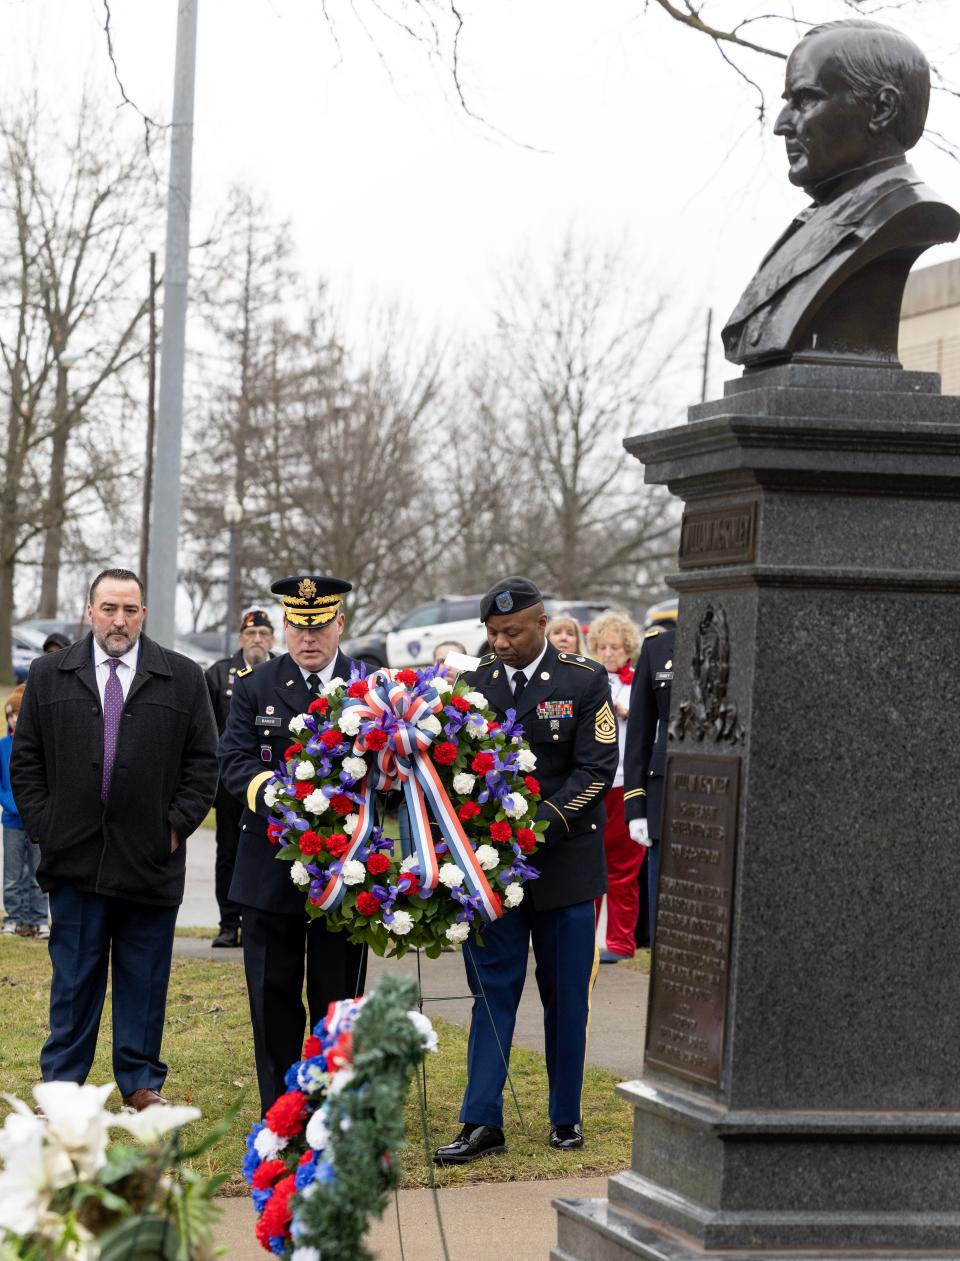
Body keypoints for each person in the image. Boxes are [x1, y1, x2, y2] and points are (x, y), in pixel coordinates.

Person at [9, 568, 218, 1110]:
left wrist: (172, 831)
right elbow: (26, 762)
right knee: (73, 983)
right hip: (74, 862)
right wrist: (45, 828)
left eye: (129, 609)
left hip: (150, 862)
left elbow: (203, 766)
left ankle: (141, 1084)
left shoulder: (183, 677)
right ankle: (61, 1087)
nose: (119, 620)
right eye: (109, 608)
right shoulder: (49, 675)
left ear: (143, 613)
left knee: (143, 981)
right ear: (90, 611)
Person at [434, 577, 618, 1165]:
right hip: (495, 872)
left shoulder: (584, 679)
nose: (502, 642)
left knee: (566, 997)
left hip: (563, 866)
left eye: (511, 631)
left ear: (542, 623)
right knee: (491, 992)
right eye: (492, 633)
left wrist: (538, 824)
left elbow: (595, 769)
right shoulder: (475, 683)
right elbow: (456, 767)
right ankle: (481, 1119)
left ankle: (565, 1116)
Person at [723, 19, 960, 367]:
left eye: (805, 100)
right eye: (788, 101)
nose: (781, 124)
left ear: (881, 109)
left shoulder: (910, 216)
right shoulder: (810, 222)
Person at [218, 573, 369, 1112]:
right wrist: (279, 797)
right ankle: (281, 1113)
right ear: (285, 625)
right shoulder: (256, 687)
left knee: (337, 1004)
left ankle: (334, 1111)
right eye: (299, 627)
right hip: (270, 867)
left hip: (346, 873)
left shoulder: (369, 686)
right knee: (273, 1001)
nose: (309, 638)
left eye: (321, 626)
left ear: (340, 624)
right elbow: (232, 760)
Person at [204, 608, 276, 948]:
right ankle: (229, 923)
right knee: (229, 852)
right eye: (251, 634)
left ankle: (260, 921)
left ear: (272, 638)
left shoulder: (284, 672)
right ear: (241, 638)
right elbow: (207, 729)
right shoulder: (219, 675)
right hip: (232, 783)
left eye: (263, 634)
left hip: (277, 783)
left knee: (273, 849)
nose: (257, 640)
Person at [587, 610, 644, 964]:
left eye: (616, 647)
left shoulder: (639, 681)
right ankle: (585, 940)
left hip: (625, 783)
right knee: (588, 867)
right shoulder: (586, 680)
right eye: (603, 647)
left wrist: (628, 712)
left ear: (629, 650)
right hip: (592, 782)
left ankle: (621, 941)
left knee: (624, 869)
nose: (609, 653)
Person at [623, 619, 676, 944]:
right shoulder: (658, 647)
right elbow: (640, 733)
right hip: (663, 794)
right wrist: (636, 805)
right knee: (666, 915)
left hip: (720, 793)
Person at [1, 685, 48, 938]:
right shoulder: (2, 746)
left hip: (36, 823)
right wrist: (9, 803)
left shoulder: (39, 747)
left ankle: (38, 919)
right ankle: (14, 918)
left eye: (19, 714)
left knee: (37, 873)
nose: (15, 719)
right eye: (11, 715)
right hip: (11, 822)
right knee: (12, 875)